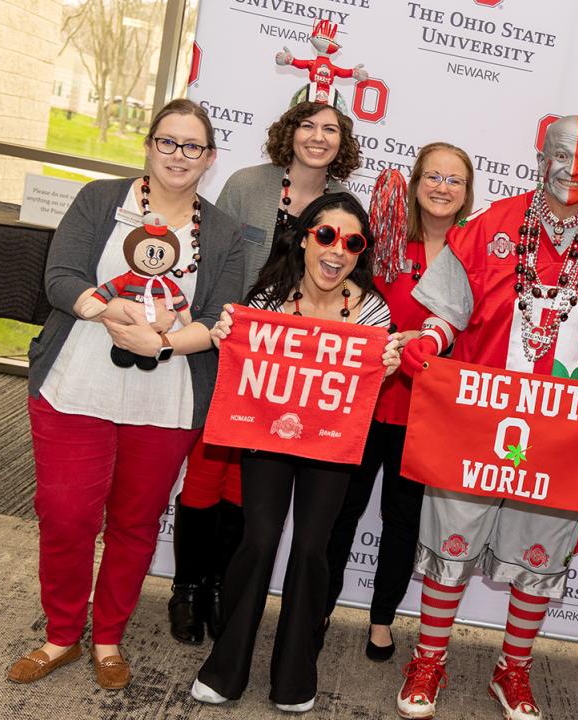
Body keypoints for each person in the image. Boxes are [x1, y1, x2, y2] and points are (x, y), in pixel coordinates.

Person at [395, 115, 578, 720]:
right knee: (452, 538)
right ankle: (429, 658)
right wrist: (430, 341)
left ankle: (512, 669)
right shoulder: (489, 227)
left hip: (565, 433)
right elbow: (447, 314)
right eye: (562, 155)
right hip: (478, 421)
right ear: (540, 156)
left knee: (541, 551)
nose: (573, 169)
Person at [7, 99, 243, 690]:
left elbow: (219, 320)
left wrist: (159, 343)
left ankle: (107, 636)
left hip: (164, 401)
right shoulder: (98, 200)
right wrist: (108, 309)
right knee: (65, 516)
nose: (179, 156)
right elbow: (59, 276)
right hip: (76, 385)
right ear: (149, 145)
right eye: (169, 142)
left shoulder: (225, 234)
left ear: (210, 158)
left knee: (136, 524)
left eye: (193, 147)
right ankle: (62, 633)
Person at [190, 192, 401, 713]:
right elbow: (243, 358)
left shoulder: (373, 309)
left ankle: (294, 673)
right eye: (326, 235)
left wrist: (385, 366)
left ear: (361, 252)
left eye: (352, 243)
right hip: (269, 433)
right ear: (305, 236)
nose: (337, 251)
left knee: (310, 547)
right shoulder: (269, 295)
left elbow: (365, 386)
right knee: (258, 540)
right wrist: (225, 336)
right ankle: (226, 666)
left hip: (329, 442)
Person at [167, 101, 361, 645]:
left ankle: (226, 589)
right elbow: (210, 262)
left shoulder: (341, 207)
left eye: (330, 129)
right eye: (308, 125)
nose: (317, 137)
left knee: (243, 489)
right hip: (227, 351)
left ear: (341, 141)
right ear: (288, 131)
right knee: (205, 476)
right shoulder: (247, 185)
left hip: (289, 373)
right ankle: (188, 588)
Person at [321, 142, 476, 661]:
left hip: (427, 411)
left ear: (466, 192)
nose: (441, 187)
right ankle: (318, 606)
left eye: (454, 180)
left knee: (402, 519)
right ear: (414, 184)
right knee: (342, 510)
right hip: (367, 400)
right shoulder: (383, 238)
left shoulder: (474, 250)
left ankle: (382, 618)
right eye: (432, 175)